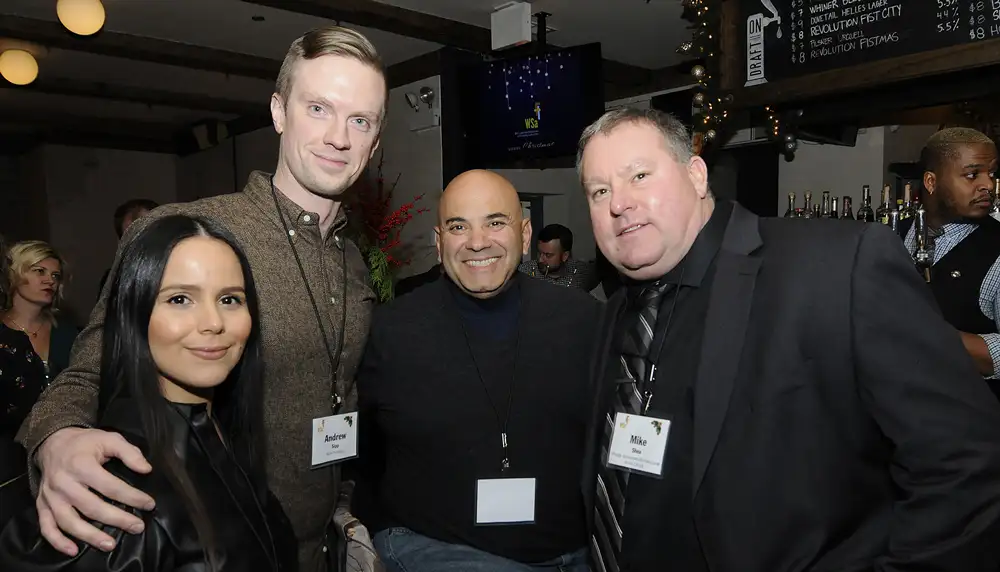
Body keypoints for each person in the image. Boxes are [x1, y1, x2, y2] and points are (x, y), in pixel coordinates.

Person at [16, 25, 387, 571]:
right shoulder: (190, 233)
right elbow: (90, 372)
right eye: (318, 109)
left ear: (375, 142)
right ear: (279, 112)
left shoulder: (352, 261)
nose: (339, 137)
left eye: (360, 120)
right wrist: (59, 438)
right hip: (215, 548)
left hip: (318, 546)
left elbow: (339, 391)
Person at [577, 108, 1000, 572]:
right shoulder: (615, 313)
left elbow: (968, 466)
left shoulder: (836, 267)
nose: (618, 204)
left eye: (639, 175)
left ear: (696, 175)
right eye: (600, 191)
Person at [0, 214, 298, 570]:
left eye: (230, 299)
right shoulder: (114, 498)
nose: (214, 322)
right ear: (135, 314)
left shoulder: (224, 436)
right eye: (180, 299)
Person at [353, 170, 598, 572]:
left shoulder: (583, 320)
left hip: (574, 551)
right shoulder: (392, 330)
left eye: (495, 223)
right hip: (436, 546)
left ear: (524, 234)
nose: (477, 241)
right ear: (439, 243)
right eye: (458, 227)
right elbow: (364, 451)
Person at [898, 128, 1000, 400]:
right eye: (972, 175)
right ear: (931, 182)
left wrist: (931, 336)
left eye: (991, 174)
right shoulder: (891, 235)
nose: (988, 185)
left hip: (965, 414)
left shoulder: (996, 248)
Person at [1, 241, 78, 527]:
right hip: (10, 463)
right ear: (16, 273)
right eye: (39, 271)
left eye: (55, 275)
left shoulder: (69, 333)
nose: (50, 281)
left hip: (64, 453)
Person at [98, 199, 159, 296]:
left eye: (147, 233)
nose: (140, 244)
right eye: (130, 236)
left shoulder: (180, 271)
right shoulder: (112, 281)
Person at [518, 224, 598, 292]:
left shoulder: (580, 274)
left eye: (548, 255)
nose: (540, 259)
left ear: (565, 256)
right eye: (539, 253)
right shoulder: (525, 272)